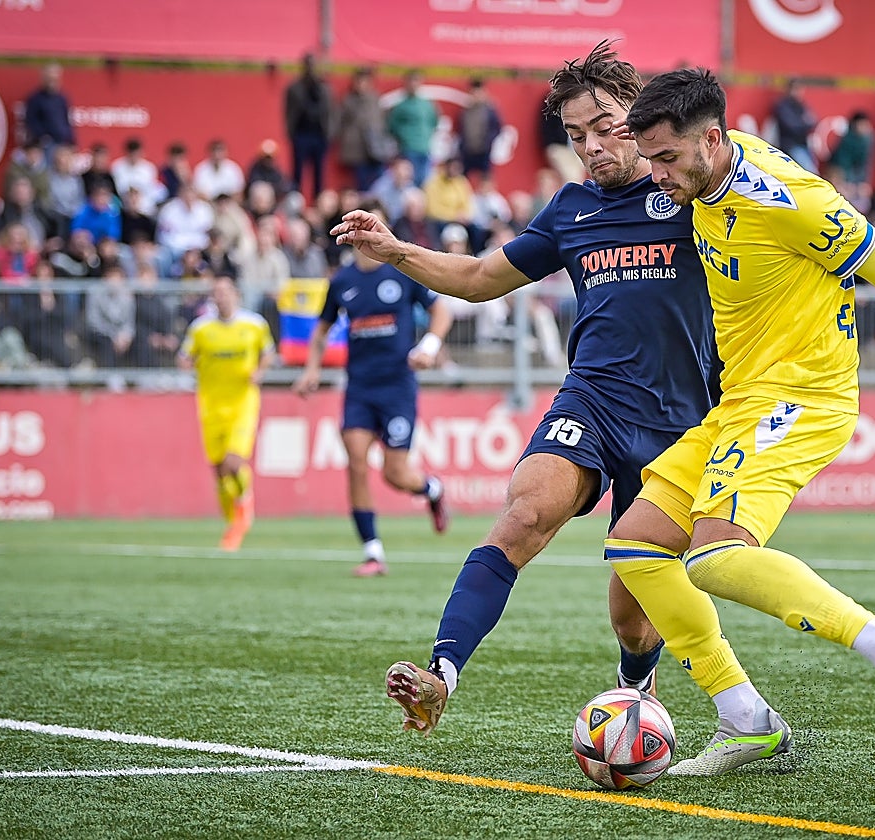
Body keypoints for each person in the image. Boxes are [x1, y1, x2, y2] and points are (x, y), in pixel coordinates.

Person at [331, 43, 722, 740]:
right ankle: (439, 677)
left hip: (683, 428)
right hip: (594, 402)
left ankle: (637, 689)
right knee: (522, 515)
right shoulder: (571, 208)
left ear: (638, 116)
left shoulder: (693, 192)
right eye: (575, 135)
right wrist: (395, 251)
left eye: (605, 126)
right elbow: (482, 279)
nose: (592, 145)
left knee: (632, 619)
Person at [609, 67, 875, 774]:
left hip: (803, 395)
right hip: (741, 399)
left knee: (713, 557)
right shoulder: (705, 173)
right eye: (649, 159)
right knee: (637, 546)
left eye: (667, 158)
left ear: (711, 140)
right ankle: (747, 722)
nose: (657, 176)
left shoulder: (786, 199)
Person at [293, 208, 453, 576]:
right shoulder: (342, 281)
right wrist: (312, 370)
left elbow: (440, 310)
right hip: (360, 388)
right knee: (356, 461)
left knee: (396, 474)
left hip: (397, 387)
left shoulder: (401, 269)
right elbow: (320, 332)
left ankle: (431, 490)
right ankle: (373, 552)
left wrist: (428, 347)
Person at [178, 275, 276, 551]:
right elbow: (185, 356)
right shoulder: (201, 328)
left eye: (225, 292)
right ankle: (234, 520)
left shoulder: (254, 325)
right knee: (220, 471)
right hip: (210, 405)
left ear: (236, 295)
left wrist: (260, 371)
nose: (221, 297)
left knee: (234, 462)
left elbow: (268, 352)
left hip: (243, 403)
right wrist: (186, 364)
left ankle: (245, 507)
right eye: (216, 293)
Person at [284, 53, 333, 200]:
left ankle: (318, 201)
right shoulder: (295, 88)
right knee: (297, 172)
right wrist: (291, 133)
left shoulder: (324, 88)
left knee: (319, 173)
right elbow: (289, 111)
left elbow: (330, 111)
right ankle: (296, 201)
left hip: (319, 135)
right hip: (301, 134)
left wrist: (329, 133)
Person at [386, 70, 438, 187]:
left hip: (425, 148)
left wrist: (426, 137)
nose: (413, 84)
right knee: (409, 181)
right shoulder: (401, 106)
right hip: (408, 148)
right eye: (410, 81)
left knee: (425, 182)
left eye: (416, 81)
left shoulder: (427, 105)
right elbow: (392, 126)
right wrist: (405, 137)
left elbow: (434, 122)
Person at [23, 62, 75, 154]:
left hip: (63, 143)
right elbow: (31, 121)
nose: (52, 82)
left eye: (55, 79)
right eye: (49, 79)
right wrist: (43, 137)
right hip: (46, 145)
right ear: (43, 79)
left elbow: (67, 120)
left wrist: (72, 140)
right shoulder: (35, 98)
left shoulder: (62, 98)